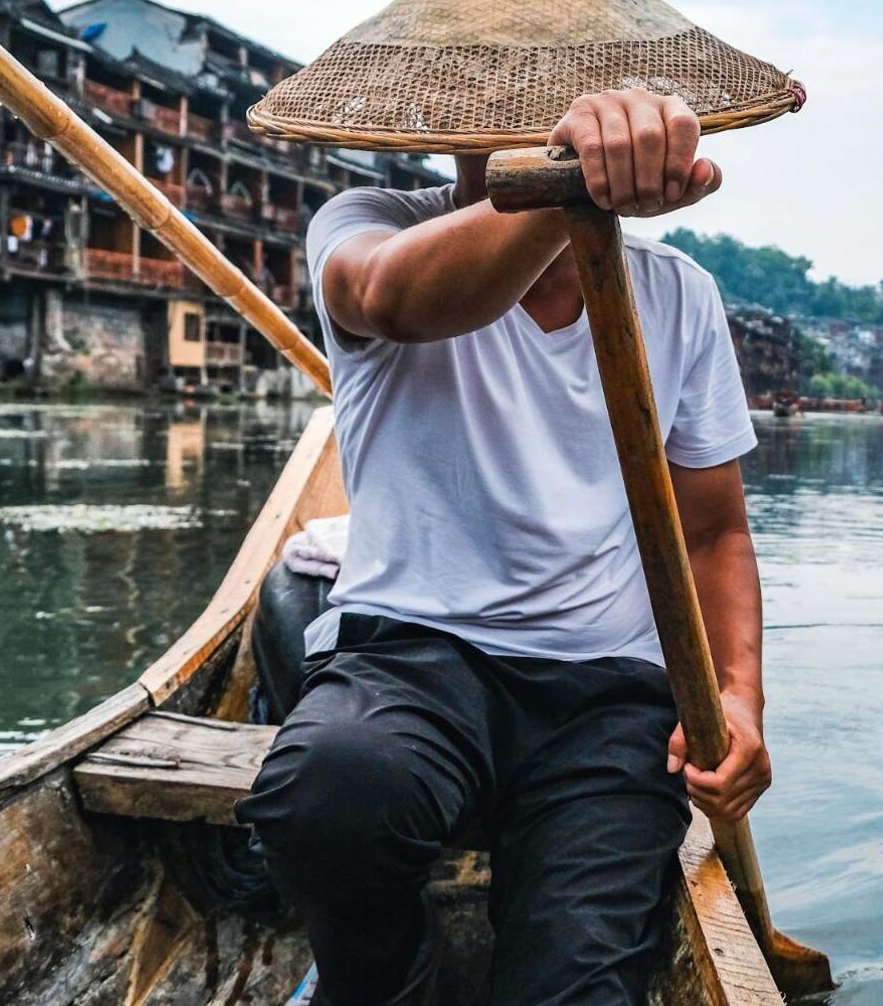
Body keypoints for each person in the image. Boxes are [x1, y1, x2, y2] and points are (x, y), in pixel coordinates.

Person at [235, 89, 770, 1006]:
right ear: (454, 116)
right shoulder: (370, 224)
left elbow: (714, 529)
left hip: (607, 694)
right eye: (505, 95)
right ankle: (391, 981)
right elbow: (391, 298)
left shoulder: (680, 293)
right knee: (325, 792)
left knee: (580, 984)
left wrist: (738, 700)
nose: (530, 109)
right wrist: (571, 196)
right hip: (412, 660)